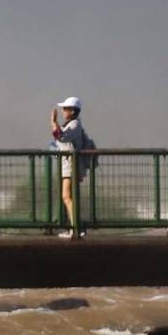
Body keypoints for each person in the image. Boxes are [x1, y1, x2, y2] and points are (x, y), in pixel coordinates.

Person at [50, 97, 95, 239]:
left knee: (67, 196)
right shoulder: (71, 124)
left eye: (66, 108)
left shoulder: (75, 125)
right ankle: (74, 227)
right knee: (68, 197)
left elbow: (61, 137)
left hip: (71, 165)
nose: (63, 111)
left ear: (72, 111)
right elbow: (59, 138)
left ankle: (76, 228)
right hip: (67, 165)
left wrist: (53, 122)